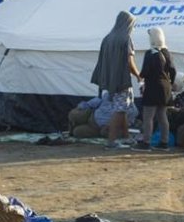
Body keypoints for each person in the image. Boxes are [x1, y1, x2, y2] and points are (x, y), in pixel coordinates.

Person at [90, 11, 142, 150]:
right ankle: (111, 141)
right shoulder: (125, 38)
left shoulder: (108, 37)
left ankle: (126, 137)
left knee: (122, 109)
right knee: (119, 110)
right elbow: (129, 61)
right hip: (122, 80)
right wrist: (138, 75)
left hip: (110, 79)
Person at [132, 28, 176, 152]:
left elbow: (145, 72)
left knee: (148, 117)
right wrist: (170, 83)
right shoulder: (167, 52)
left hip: (152, 87)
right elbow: (173, 70)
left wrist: (140, 78)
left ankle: (146, 142)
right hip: (165, 88)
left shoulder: (150, 53)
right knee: (162, 116)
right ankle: (164, 142)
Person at [68, 91, 139, 138]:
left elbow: (127, 124)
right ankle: (73, 124)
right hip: (91, 115)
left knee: (77, 132)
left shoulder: (132, 109)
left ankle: (74, 127)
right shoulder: (108, 95)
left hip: (101, 128)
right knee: (73, 114)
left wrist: (114, 127)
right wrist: (83, 106)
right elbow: (96, 101)